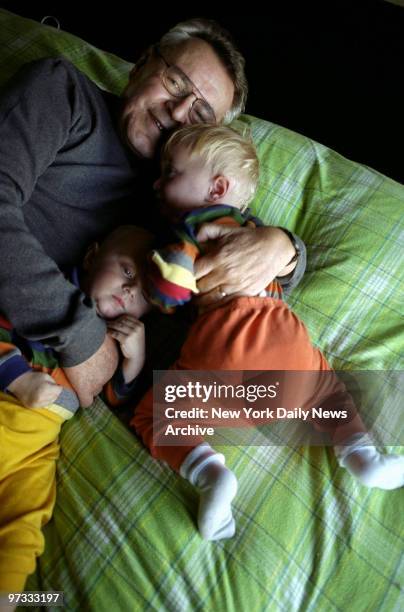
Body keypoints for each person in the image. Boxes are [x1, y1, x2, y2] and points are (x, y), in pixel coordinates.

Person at [0, 18, 306, 409]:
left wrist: (283, 249)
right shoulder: (63, 91)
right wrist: (83, 338)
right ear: (143, 63)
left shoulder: (175, 202)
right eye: (176, 82)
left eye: (200, 114)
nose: (179, 112)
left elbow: (243, 273)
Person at [128, 124, 404, 541]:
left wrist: (161, 274)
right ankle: (363, 457)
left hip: (225, 346)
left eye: (171, 172)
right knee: (329, 392)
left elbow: (168, 294)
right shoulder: (257, 233)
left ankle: (211, 474)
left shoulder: (193, 228)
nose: (158, 181)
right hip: (284, 347)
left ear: (216, 186)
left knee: (154, 415)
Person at [0, 224, 155, 594]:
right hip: (8, 406)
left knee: (25, 529)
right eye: (127, 271)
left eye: (144, 292)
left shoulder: (117, 341)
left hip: (35, 450)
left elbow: (112, 400)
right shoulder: (50, 297)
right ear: (91, 257)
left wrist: (135, 363)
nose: (131, 289)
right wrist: (18, 378)